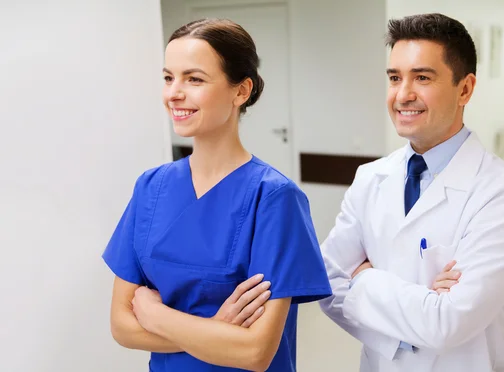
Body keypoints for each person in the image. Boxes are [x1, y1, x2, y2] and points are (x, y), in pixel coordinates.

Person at [102, 18, 332, 372]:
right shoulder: (150, 187)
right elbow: (121, 326)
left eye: (194, 79)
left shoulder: (273, 198)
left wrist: (155, 314)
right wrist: (215, 331)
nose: (174, 93)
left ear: (241, 91)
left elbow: (255, 352)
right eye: (168, 77)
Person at [319, 13, 504, 372]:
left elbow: (447, 324)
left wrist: (363, 279)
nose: (403, 95)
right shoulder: (370, 178)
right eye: (394, 78)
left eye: (422, 77)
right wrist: (416, 314)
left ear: (465, 89)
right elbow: (326, 282)